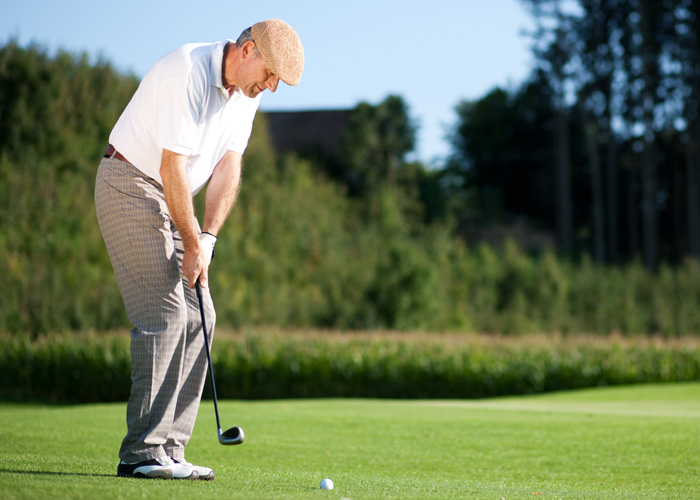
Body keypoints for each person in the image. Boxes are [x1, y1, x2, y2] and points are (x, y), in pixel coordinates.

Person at [95, 19, 304, 480]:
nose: (270, 87)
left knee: (201, 315)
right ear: (247, 50)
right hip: (130, 183)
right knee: (166, 312)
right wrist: (190, 243)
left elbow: (228, 169)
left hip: (172, 200)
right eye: (270, 74)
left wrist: (206, 240)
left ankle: (170, 447)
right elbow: (173, 168)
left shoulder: (246, 98)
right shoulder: (186, 70)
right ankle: (141, 453)